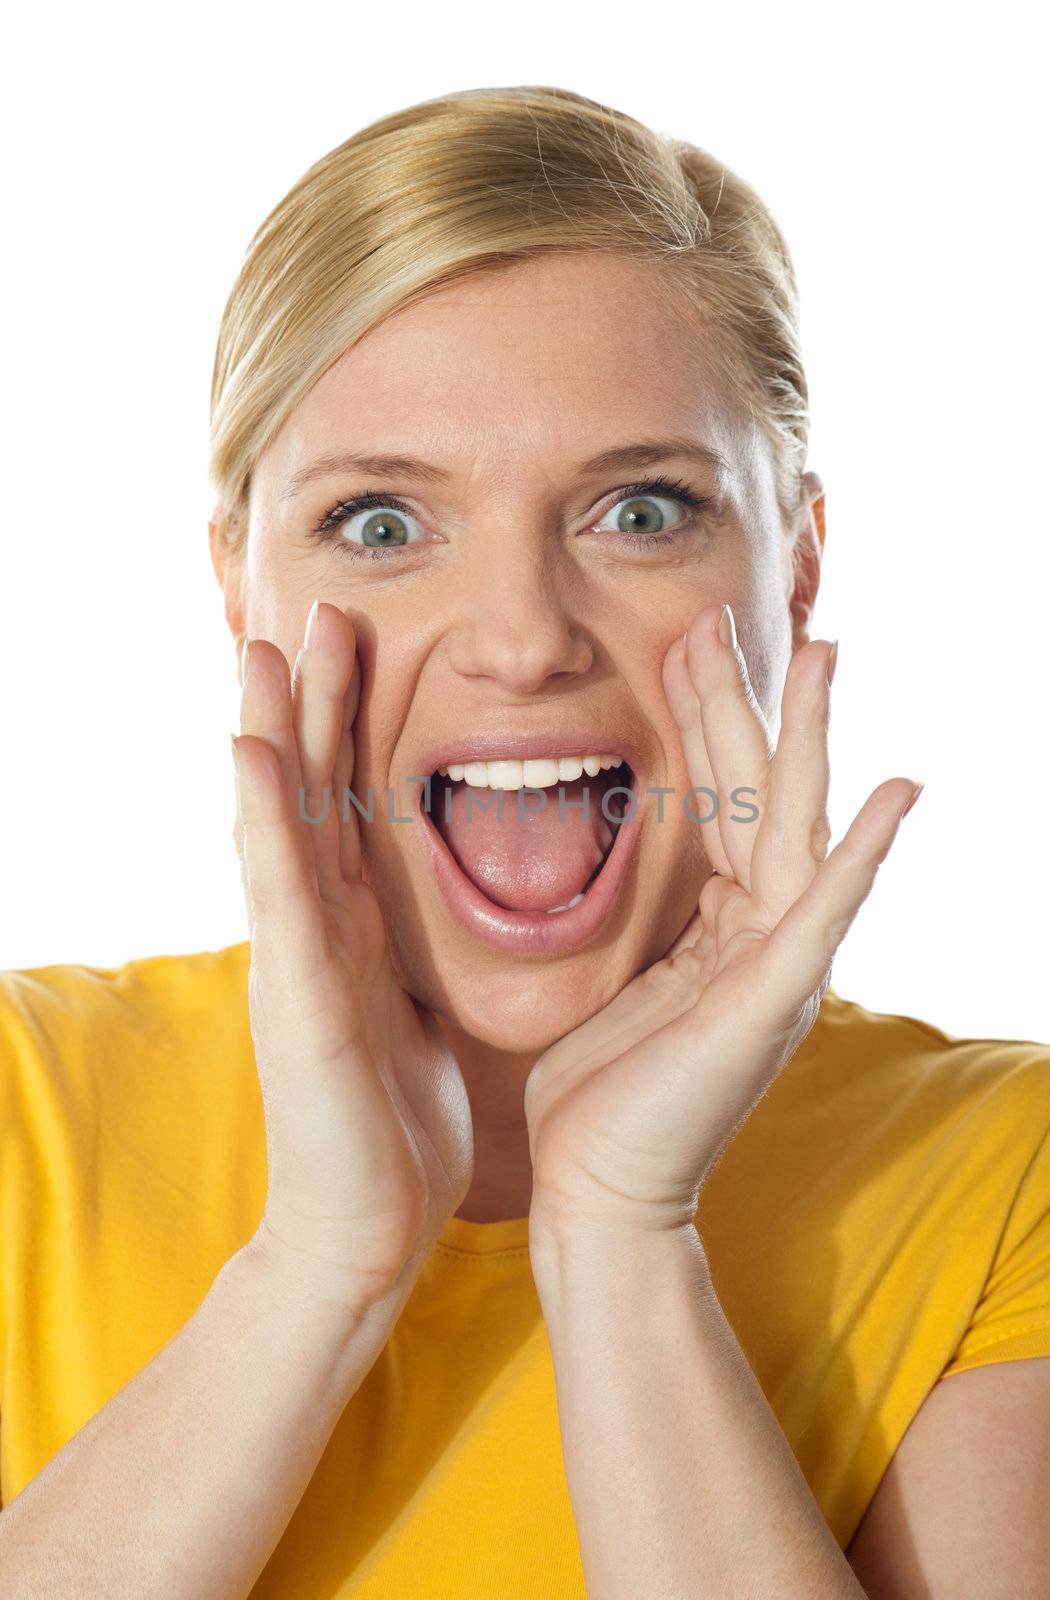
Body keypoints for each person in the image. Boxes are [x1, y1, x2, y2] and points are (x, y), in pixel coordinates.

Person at [0, 83, 1047, 1599]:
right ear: (237, 586)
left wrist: (623, 1237)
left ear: (797, 566)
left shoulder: (999, 1176)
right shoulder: (25, 1108)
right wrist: (317, 1269)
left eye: (639, 509)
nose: (520, 636)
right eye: (377, 523)